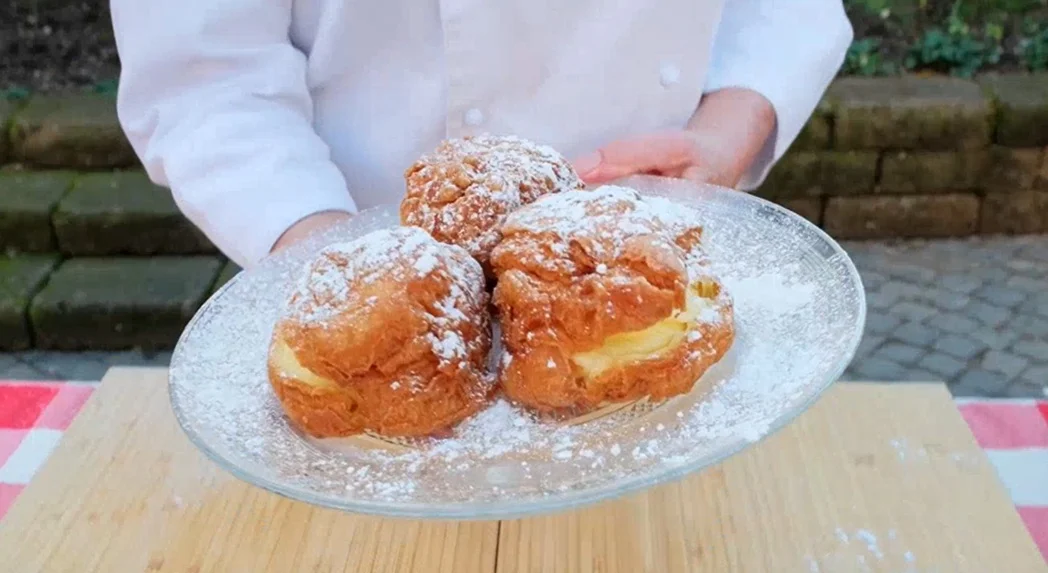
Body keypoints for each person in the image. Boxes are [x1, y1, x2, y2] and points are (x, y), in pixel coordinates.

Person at [110, 1, 852, 270]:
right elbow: (206, 71)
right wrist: (340, 265)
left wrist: (721, 136)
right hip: (345, 236)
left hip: (645, 251)